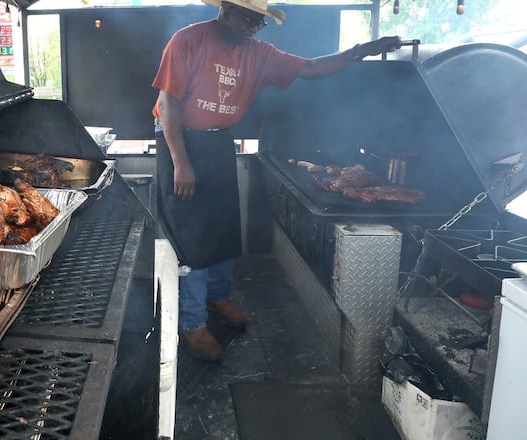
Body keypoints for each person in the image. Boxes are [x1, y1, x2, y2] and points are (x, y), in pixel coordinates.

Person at [152, 0, 401, 361]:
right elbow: (169, 102)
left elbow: (312, 68)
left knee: (223, 227)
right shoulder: (188, 40)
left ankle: (217, 296)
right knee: (189, 235)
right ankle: (192, 323)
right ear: (225, 9)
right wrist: (181, 163)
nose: (254, 27)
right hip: (178, 139)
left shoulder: (259, 53)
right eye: (248, 19)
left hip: (218, 140)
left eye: (260, 23)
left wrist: (362, 51)